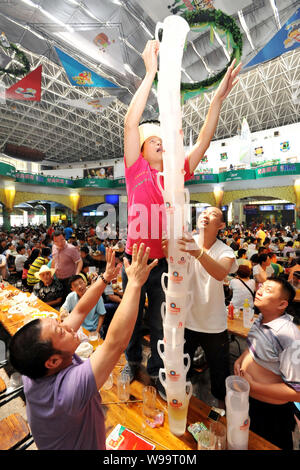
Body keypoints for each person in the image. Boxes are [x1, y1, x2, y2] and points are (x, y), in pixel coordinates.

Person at [122, 39, 241, 385]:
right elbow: (131, 124)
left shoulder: (175, 173)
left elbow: (203, 140)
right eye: (152, 140)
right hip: (135, 257)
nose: (159, 141)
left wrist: (216, 102)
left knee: (162, 322)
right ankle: (130, 361)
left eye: (162, 138)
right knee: (130, 319)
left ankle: (161, 373)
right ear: (142, 150)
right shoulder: (135, 170)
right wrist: (150, 74)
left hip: (165, 260)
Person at [8, 245, 157, 450]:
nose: (67, 326)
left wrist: (104, 278)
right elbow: (115, 343)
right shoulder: (66, 393)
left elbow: (78, 311)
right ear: (53, 361)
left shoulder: (35, 367)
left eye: (59, 324)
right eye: (61, 330)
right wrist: (135, 284)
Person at [177, 206, 239, 406]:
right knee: (180, 370)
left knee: (219, 375)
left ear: (220, 225)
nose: (206, 215)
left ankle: (221, 414)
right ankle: (182, 406)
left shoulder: (225, 250)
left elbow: (221, 272)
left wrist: (198, 253)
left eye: (212, 214)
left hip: (214, 324)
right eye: (204, 212)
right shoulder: (187, 241)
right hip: (187, 321)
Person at [234, 278, 300, 450]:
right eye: (261, 286)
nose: (260, 290)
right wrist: (241, 359)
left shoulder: (288, 335)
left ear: (282, 304)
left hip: (271, 414)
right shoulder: (260, 319)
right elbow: (254, 347)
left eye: (268, 290)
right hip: (249, 402)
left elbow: (297, 393)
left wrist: (253, 386)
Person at [51, 230, 83, 301]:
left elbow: (79, 261)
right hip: (58, 279)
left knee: (72, 299)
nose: (60, 243)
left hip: (69, 279)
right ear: (53, 242)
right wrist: (52, 273)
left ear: (65, 238)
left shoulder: (71, 249)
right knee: (61, 299)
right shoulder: (53, 247)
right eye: (56, 241)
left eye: (62, 240)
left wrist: (76, 274)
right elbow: (54, 260)